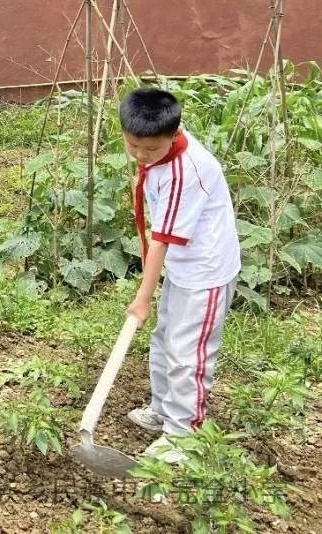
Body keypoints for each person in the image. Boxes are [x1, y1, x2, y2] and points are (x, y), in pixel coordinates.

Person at [120, 87, 240, 463]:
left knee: (188, 352)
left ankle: (183, 432)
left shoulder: (185, 171)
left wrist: (142, 299)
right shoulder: (162, 143)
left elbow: (162, 241)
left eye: (150, 150)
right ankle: (163, 410)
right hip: (181, 266)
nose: (141, 155)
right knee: (165, 339)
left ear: (172, 136)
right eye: (133, 146)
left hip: (205, 272)